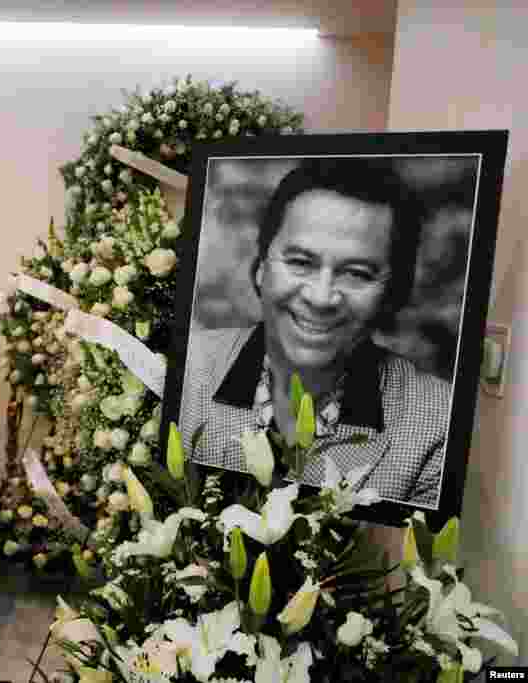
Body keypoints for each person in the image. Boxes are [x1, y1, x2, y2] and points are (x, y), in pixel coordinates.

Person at [180, 158, 450, 507]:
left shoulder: (437, 425)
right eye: (301, 262)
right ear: (261, 268)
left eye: (357, 273)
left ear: (392, 294)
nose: (321, 298)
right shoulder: (183, 370)